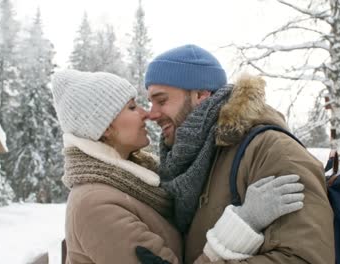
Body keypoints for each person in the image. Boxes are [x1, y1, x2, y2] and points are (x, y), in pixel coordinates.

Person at [51, 70, 305, 264]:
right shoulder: (96, 205)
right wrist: (242, 224)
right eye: (131, 107)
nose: (145, 114)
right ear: (105, 127)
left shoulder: (135, 182)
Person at [143, 44, 335, 264]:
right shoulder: (190, 161)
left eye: (162, 100)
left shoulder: (272, 151)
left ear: (200, 95)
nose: (152, 114)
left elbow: (306, 258)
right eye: (150, 102)